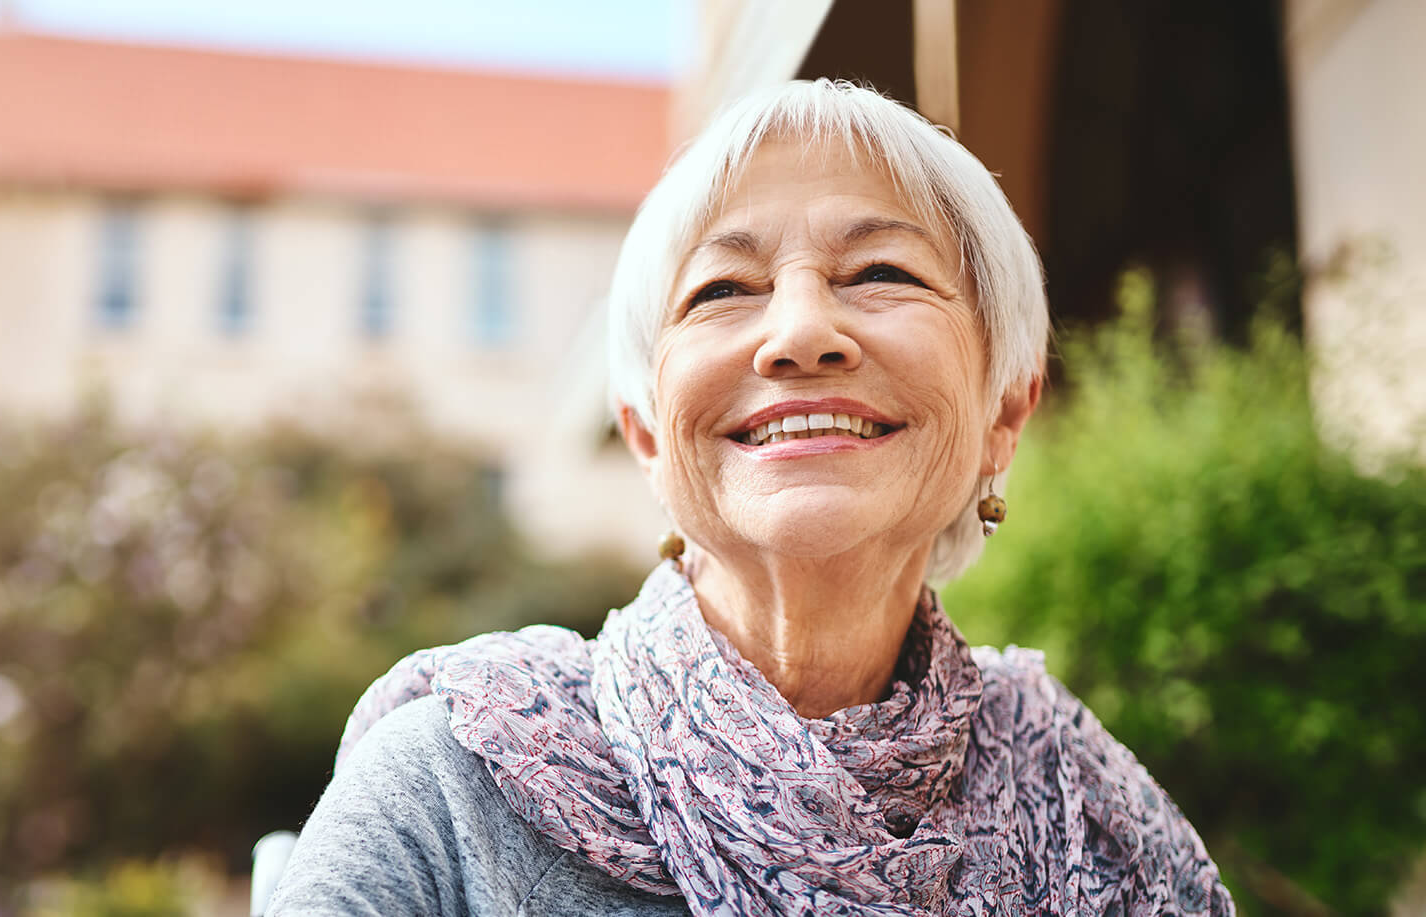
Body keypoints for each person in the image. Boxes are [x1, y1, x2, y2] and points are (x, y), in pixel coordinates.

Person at [267, 80, 1232, 916]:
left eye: (883, 272)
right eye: (725, 288)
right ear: (647, 433)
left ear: (1003, 416)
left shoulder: (1093, 816)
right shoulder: (451, 784)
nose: (802, 332)